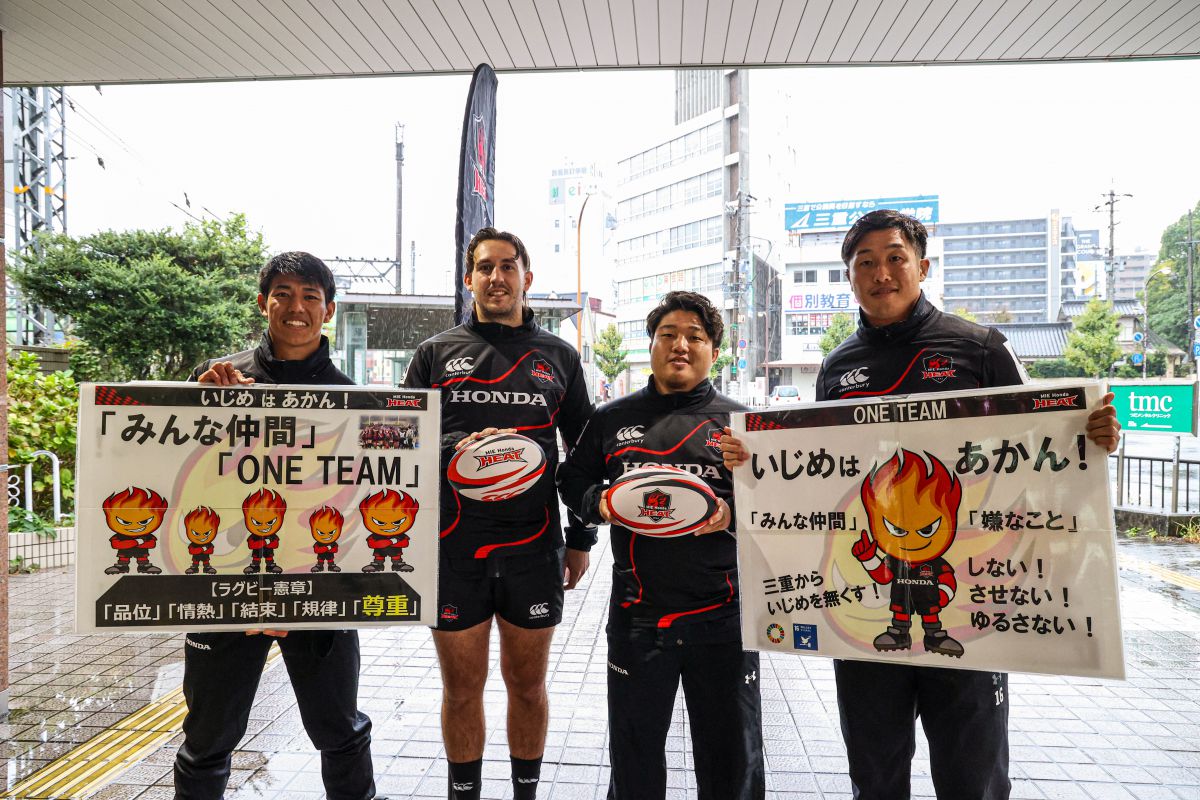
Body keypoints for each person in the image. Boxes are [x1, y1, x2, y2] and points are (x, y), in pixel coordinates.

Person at [721, 209, 1121, 800]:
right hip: (866, 619)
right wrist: (752, 460)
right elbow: (817, 474)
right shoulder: (837, 368)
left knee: (973, 777)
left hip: (969, 612)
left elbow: (1047, 440)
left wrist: (1100, 436)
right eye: (864, 263)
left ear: (922, 266)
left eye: (894, 258)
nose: (880, 273)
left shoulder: (980, 348)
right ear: (850, 277)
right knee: (875, 775)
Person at [173, 252, 378, 800]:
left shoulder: (352, 399)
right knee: (208, 737)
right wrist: (200, 403)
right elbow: (179, 472)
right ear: (263, 302)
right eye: (283, 293)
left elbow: (360, 508)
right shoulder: (218, 378)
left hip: (318, 588)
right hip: (226, 585)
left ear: (328, 310)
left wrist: (297, 597)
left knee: (340, 731)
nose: (296, 307)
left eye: (311, 296)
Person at [402, 227, 594, 800]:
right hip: (452, 547)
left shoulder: (559, 356)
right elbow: (399, 440)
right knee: (461, 690)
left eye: (508, 266)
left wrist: (579, 536)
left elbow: (583, 455)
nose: (496, 277)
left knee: (528, 687)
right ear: (469, 281)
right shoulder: (435, 354)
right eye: (484, 267)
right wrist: (457, 451)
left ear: (526, 278)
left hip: (533, 547)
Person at [558, 290, 765, 800]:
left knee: (731, 763)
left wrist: (732, 513)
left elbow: (780, 511)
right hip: (637, 619)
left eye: (695, 336)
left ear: (714, 351)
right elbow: (570, 479)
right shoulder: (611, 419)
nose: (680, 345)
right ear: (649, 345)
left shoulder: (744, 425)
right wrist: (599, 503)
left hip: (724, 620)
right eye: (668, 334)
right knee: (634, 761)